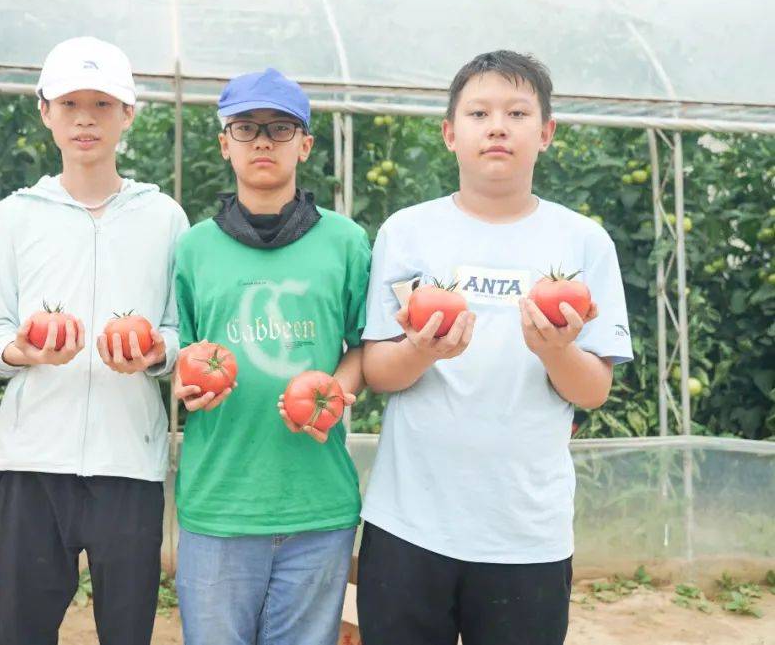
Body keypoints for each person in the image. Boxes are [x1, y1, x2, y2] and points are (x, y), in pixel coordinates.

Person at [356, 51, 634, 645]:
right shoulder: (407, 232)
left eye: (518, 113)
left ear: (547, 133)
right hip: (410, 522)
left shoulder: (583, 241)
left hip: (526, 533)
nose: (498, 127)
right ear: (450, 134)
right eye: (479, 113)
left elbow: (594, 389)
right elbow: (378, 370)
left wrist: (556, 351)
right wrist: (422, 352)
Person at [0, 36, 189, 644]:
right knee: (23, 629)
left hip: (130, 461)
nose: (85, 119)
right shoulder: (18, 214)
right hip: (33, 460)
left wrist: (156, 353)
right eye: (70, 104)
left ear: (128, 114)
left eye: (102, 104)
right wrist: (22, 351)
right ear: (45, 111)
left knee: (127, 629)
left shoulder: (165, 217)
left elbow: (181, 332)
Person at [172, 67, 371, 645]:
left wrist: (337, 389)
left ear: (304, 145)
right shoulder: (193, 248)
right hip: (219, 502)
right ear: (225, 143)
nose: (263, 141)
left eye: (280, 128)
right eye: (246, 128)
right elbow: (181, 351)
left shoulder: (345, 241)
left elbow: (364, 345)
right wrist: (184, 386)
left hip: (317, 505)